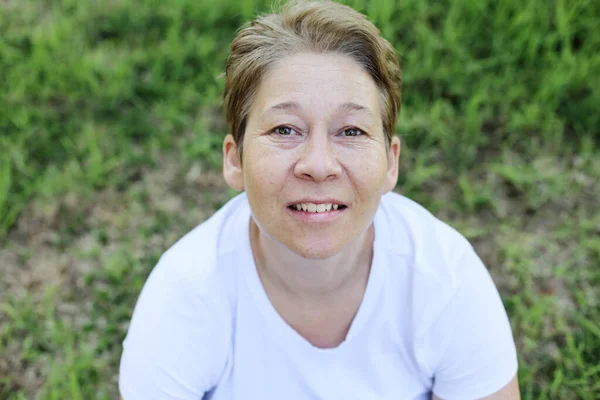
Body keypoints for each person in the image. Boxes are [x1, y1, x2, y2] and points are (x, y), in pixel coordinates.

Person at [118, 1, 520, 399]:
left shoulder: (444, 280)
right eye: (286, 128)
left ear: (391, 163)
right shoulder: (184, 299)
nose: (319, 165)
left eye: (351, 132)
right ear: (234, 160)